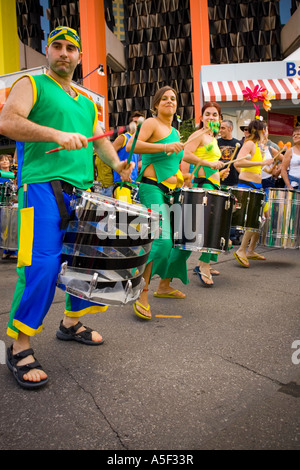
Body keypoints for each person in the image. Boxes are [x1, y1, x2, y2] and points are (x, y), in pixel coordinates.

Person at [0, 26, 133, 389]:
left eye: (70, 48)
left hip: (83, 192)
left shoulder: (86, 101)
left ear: (78, 56)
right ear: (47, 51)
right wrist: (54, 134)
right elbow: (8, 122)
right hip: (40, 189)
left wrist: (118, 164)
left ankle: (70, 324)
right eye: (57, 46)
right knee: (40, 264)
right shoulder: (31, 84)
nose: (63, 53)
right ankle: (19, 345)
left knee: (83, 262)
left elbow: (100, 140)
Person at [126, 86, 191, 320]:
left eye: (173, 98)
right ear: (156, 104)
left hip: (171, 192)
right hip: (151, 188)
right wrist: (164, 146)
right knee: (162, 241)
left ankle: (163, 286)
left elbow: (181, 154)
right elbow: (130, 146)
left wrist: (208, 163)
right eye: (164, 98)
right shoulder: (151, 123)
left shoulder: (174, 131)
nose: (169, 101)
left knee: (183, 240)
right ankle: (141, 292)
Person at [181, 102, 224, 286]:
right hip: (204, 185)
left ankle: (204, 262)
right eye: (208, 114)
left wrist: (219, 170)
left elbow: (209, 160)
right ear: (201, 117)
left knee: (215, 226)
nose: (211, 117)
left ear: (219, 119)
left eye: (215, 115)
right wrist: (209, 165)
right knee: (208, 227)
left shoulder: (212, 136)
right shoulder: (199, 134)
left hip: (213, 183)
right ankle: (203, 265)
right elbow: (185, 154)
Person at [232, 120, 274, 268]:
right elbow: (238, 162)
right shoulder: (249, 143)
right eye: (266, 130)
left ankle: (250, 250)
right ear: (260, 130)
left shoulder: (257, 146)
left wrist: (271, 169)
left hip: (257, 185)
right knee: (255, 219)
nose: (267, 133)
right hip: (248, 185)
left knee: (264, 217)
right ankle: (241, 249)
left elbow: (258, 167)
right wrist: (263, 163)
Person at [0, 154, 18, 260]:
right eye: (2, 160)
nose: (5, 162)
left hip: (10, 204)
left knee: (10, 226)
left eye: (6, 160)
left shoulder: (12, 175)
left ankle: (9, 251)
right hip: (2, 203)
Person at [218, 119, 241, 187]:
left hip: (234, 182)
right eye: (220, 128)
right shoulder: (216, 142)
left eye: (223, 128)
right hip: (218, 180)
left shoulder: (238, 144)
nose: (220, 130)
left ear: (230, 128)